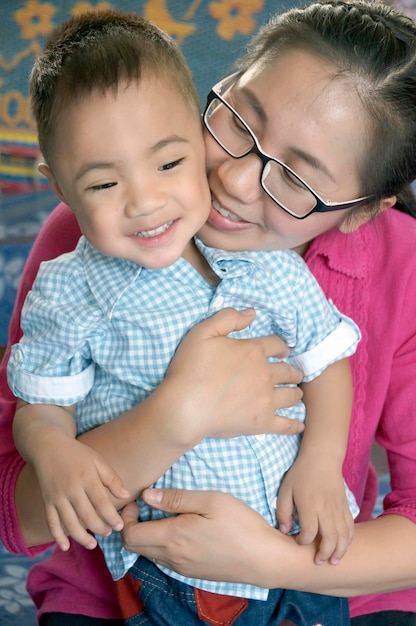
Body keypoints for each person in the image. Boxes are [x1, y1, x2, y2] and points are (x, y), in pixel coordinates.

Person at [0, 0, 415, 624]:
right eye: (237, 123)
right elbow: (16, 509)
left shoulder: (397, 268)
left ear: (361, 211)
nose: (237, 181)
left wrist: (271, 562)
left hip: (330, 579)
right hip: (120, 587)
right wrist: (177, 414)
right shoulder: (98, 230)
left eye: (296, 179)